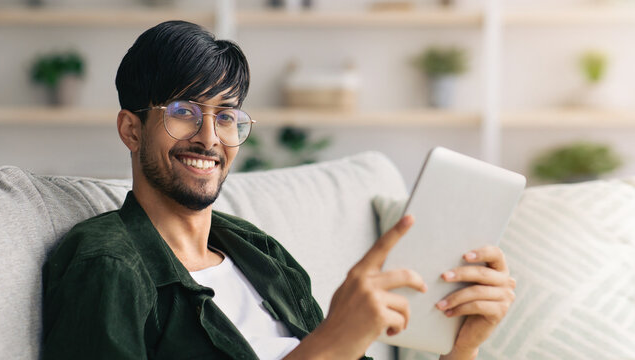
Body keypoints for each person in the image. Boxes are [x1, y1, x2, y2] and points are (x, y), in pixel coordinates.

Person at [42, 20, 515, 360]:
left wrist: (464, 345)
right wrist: (330, 344)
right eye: (184, 111)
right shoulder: (106, 263)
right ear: (131, 129)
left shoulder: (257, 250)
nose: (209, 138)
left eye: (226, 117)